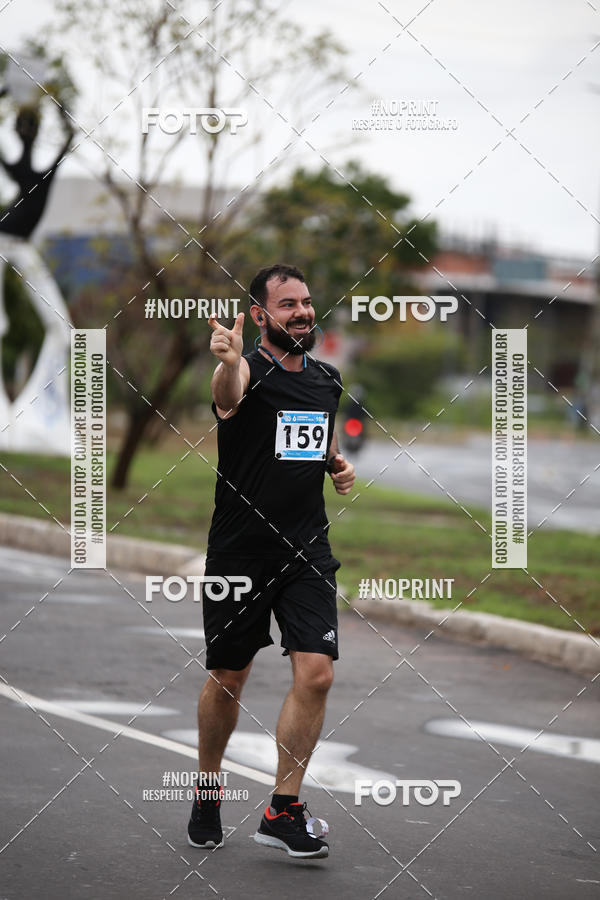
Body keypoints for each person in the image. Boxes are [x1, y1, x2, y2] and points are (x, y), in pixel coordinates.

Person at [187, 264, 355, 859]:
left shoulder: (326, 379)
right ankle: (208, 784)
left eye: (307, 302)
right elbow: (229, 401)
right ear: (260, 316)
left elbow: (311, 437)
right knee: (229, 677)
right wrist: (229, 359)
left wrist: (337, 465)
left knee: (317, 672)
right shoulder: (242, 370)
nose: (303, 312)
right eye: (288, 305)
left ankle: (283, 808)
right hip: (239, 552)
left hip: (306, 549)